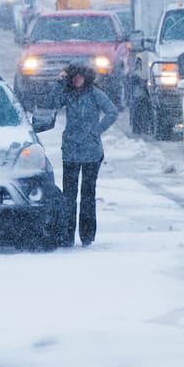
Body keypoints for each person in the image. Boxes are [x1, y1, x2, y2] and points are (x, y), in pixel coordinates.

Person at [54, 62, 119, 246]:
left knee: (88, 194)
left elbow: (112, 112)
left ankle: (87, 235)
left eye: (80, 76)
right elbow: (52, 104)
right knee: (69, 195)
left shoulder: (95, 94)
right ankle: (67, 236)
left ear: (86, 77)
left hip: (92, 152)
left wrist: (96, 131)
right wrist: (58, 83)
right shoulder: (67, 94)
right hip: (70, 151)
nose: (76, 80)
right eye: (73, 77)